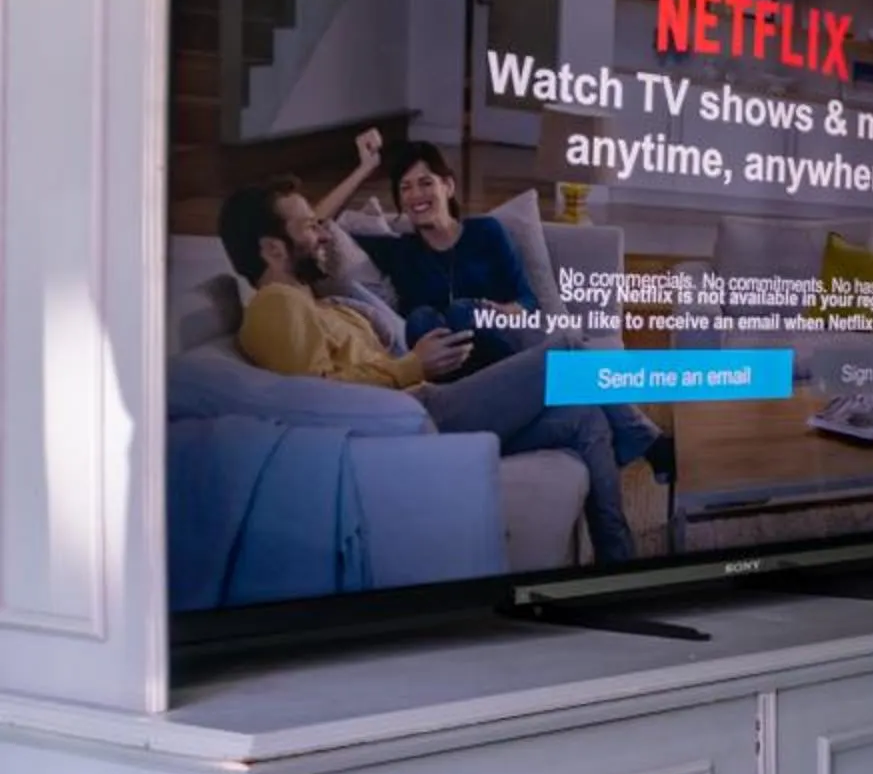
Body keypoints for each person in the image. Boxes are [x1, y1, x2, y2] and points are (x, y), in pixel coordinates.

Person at [216, 176, 641, 566]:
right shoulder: (277, 305)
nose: (323, 233)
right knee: (564, 349)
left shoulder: (313, 302)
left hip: (423, 407)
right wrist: (412, 365)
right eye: (309, 227)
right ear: (272, 249)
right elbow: (318, 398)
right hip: (409, 418)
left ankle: (617, 561)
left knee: (584, 416)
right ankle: (648, 440)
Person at [349, 140, 671, 483]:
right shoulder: (400, 253)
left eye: (426, 183)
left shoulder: (486, 233)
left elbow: (527, 299)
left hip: (505, 356)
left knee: (467, 314)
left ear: (449, 186)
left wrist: (506, 310)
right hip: (457, 392)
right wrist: (364, 168)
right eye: (405, 188)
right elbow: (321, 225)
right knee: (426, 321)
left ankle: (644, 444)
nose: (415, 195)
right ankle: (649, 442)